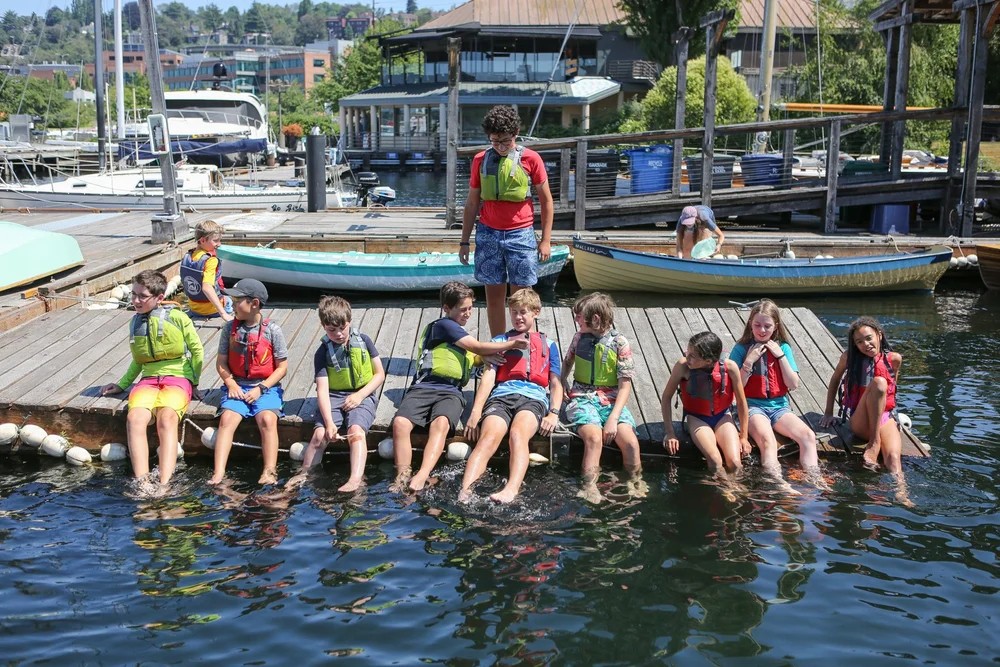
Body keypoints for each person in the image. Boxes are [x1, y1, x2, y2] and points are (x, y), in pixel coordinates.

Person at [391, 281, 526, 492]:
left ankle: (423, 474)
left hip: (451, 392)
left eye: (471, 308)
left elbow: (474, 355)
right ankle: (402, 475)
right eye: (463, 309)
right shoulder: (443, 326)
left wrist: (487, 358)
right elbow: (477, 346)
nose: (468, 313)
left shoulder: (459, 337)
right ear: (447, 308)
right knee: (400, 423)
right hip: (424, 387)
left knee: (441, 424)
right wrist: (511, 344)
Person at [100, 270, 204, 488]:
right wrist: (122, 384)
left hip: (178, 377)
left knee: (167, 418)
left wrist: (193, 381)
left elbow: (197, 352)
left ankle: (165, 483)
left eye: (142, 296)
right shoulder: (135, 323)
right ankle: (143, 482)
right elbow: (138, 360)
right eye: (134, 294)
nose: (136, 300)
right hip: (148, 380)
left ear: (158, 298)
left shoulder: (178, 317)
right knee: (134, 418)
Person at [459, 288, 563, 504]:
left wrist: (553, 413)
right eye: (514, 312)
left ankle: (511, 489)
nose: (518, 317)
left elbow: (555, 383)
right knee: (488, 438)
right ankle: (465, 491)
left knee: (517, 434)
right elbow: (488, 378)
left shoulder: (549, 345)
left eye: (523, 312)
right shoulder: (499, 341)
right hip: (502, 397)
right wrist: (475, 412)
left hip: (533, 399)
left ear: (536, 312)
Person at [459, 104, 554, 337]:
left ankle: (520, 346)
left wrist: (545, 240)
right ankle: (498, 346)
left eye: (506, 141)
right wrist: (464, 242)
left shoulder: (531, 159)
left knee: (521, 300)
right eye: (495, 141)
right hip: (488, 233)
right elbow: (472, 204)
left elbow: (547, 201)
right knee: (493, 297)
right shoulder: (480, 160)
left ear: (516, 134)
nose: (501, 147)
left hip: (520, 234)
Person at [561, 292, 645, 502]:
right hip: (582, 397)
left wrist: (613, 419)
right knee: (594, 437)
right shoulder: (579, 337)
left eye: (579, 316)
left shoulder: (620, 343)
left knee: (632, 444)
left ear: (595, 319)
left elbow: (625, 385)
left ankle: (635, 481)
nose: (576, 320)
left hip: (611, 402)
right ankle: (589, 486)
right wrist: (562, 381)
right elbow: (568, 362)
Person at [729, 299, 821, 485]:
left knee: (808, 436)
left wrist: (780, 356)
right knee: (768, 441)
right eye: (757, 325)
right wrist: (749, 362)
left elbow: (793, 384)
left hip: (779, 407)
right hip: (752, 407)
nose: (762, 330)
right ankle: (778, 483)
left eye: (767, 326)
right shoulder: (740, 349)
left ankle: (814, 480)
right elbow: (734, 388)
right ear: (750, 324)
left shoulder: (784, 348)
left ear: (775, 326)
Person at [300, 295, 386, 493]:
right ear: (323, 326)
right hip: (334, 396)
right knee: (319, 435)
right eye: (332, 330)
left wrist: (360, 395)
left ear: (349, 322)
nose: (338, 334)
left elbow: (379, 374)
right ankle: (304, 473)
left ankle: (356, 479)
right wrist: (329, 423)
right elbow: (322, 389)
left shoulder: (364, 341)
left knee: (356, 432)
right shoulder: (322, 352)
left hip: (363, 394)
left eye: (342, 328)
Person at [208, 278, 288, 486]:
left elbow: (282, 368)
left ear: (254, 304)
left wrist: (262, 388)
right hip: (237, 385)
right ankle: (219, 473)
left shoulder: (273, 331)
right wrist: (230, 383)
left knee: (268, 421)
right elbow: (221, 363)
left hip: (265, 387)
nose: (232, 304)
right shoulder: (229, 329)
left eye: (237, 300)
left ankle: (269, 471)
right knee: (226, 421)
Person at [821, 317, 905, 475]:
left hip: (884, 418)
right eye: (859, 342)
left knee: (893, 458)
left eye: (868, 338)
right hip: (860, 420)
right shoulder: (848, 358)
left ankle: (902, 495)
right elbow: (835, 380)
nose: (865, 344)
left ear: (879, 335)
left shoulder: (894, 359)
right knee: (879, 383)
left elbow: (892, 390)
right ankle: (874, 442)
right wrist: (828, 412)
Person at [661, 331, 750, 476]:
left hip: (722, 416)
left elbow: (741, 402)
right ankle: (730, 491)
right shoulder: (682, 366)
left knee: (734, 462)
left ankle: (732, 491)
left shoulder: (730, 367)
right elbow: (666, 398)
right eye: (687, 353)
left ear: (708, 361)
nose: (687, 358)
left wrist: (744, 437)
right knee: (715, 460)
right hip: (697, 418)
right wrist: (670, 433)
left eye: (692, 356)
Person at [179, 219, 233, 321]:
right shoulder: (210, 260)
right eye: (216, 240)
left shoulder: (188, 256)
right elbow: (207, 288)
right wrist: (223, 314)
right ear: (203, 240)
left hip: (194, 309)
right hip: (213, 311)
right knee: (231, 299)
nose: (219, 244)